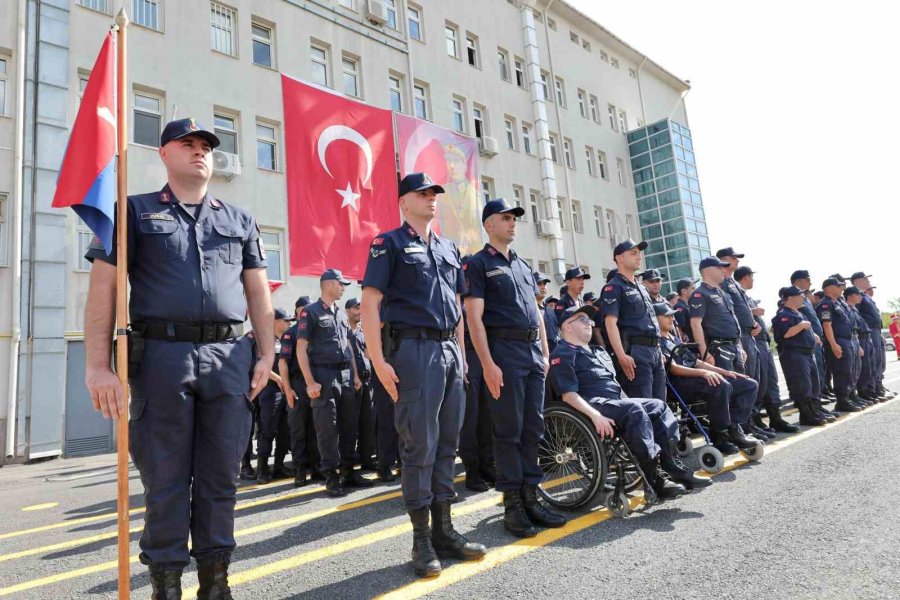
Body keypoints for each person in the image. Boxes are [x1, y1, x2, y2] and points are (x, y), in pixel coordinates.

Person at [83, 118, 272, 598]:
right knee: (165, 479)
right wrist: (98, 365)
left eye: (207, 145)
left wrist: (266, 353)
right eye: (187, 144)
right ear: (163, 153)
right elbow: (105, 288)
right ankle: (165, 584)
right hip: (161, 357)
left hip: (229, 356)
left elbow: (257, 293)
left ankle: (216, 581)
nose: (200, 151)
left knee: (221, 476)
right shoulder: (132, 211)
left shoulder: (239, 218)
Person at [361, 172, 485, 578]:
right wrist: (378, 361)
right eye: (422, 193)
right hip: (412, 351)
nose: (432, 199)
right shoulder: (389, 244)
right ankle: (421, 538)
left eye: (434, 193)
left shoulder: (449, 248)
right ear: (403, 201)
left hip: (449, 349)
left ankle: (445, 530)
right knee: (420, 444)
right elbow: (370, 303)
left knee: (448, 441)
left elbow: (458, 303)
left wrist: (463, 355)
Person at [465, 199, 566, 537]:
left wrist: (545, 350)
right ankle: (513, 506)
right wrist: (487, 363)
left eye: (514, 219)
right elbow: (474, 318)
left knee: (533, 429)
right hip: (503, 351)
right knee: (508, 430)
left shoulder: (522, 266)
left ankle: (532, 497)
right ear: (488, 224)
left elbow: (536, 312)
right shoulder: (477, 264)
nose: (512, 224)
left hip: (531, 353)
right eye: (505, 218)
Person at [549, 305, 687, 500]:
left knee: (659, 406)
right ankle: (654, 478)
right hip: (589, 404)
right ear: (567, 327)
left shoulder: (600, 352)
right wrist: (595, 416)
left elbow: (615, 387)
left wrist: (629, 402)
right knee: (634, 409)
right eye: (582, 319)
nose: (589, 322)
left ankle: (672, 465)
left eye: (589, 319)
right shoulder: (562, 354)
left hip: (614, 402)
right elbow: (568, 395)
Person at [295, 269, 369, 497]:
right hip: (323, 377)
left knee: (349, 425)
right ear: (328, 284)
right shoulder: (311, 313)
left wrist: (355, 375)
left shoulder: (339, 314)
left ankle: (349, 471)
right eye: (341, 283)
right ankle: (331, 476)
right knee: (327, 428)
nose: (344, 287)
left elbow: (348, 347)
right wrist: (309, 382)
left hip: (345, 375)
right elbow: (301, 349)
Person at [657, 303, 759, 457]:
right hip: (681, 383)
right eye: (667, 315)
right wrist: (703, 373)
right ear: (655, 318)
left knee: (748, 385)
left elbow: (697, 361)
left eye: (672, 315)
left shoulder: (674, 339)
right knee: (720, 385)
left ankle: (733, 426)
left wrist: (725, 371)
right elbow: (673, 368)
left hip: (698, 377)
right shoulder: (656, 341)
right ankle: (720, 435)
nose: (671, 318)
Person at [599, 239, 667, 401]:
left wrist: (659, 349)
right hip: (636, 351)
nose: (639, 257)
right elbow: (610, 323)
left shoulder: (641, 287)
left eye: (639, 253)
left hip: (655, 351)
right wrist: (621, 355)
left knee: (661, 404)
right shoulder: (613, 287)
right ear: (620, 258)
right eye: (634, 253)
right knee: (645, 403)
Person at [735, 267, 798, 435]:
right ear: (746, 277)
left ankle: (775, 418)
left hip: (762, 342)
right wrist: (752, 312)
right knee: (758, 383)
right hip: (752, 341)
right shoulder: (736, 296)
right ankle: (754, 421)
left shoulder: (747, 297)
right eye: (751, 277)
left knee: (770, 381)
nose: (753, 280)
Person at [244, 309, 297, 484]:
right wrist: (278, 378)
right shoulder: (262, 340)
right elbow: (258, 363)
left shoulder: (285, 339)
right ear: (275, 322)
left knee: (284, 431)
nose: (290, 323)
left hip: (284, 391)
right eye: (286, 320)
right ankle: (262, 470)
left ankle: (279, 466)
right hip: (269, 391)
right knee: (267, 431)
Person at [459, 260, 496, 493]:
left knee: (488, 416)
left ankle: (487, 464)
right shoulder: (458, 301)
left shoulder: (483, 300)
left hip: (485, 358)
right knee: (470, 419)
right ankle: (472, 470)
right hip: (469, 359)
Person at [280, 296, 322, 487]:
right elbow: (283, 362)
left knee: (316, 428)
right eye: (304, 309)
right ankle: (300, 470)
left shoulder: (316, 331)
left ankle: (316, 467)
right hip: (298, 385)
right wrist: (287, 389)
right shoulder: (291, 333)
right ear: (297, 311)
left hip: (315, 383)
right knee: (298, 429)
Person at [772, 286, 828, 426]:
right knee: (801, 385)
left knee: (813, 384)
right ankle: (806, 415)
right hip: (795, 354)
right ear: (790, 298)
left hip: (807, 353)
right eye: (800, 295)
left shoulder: (797, 313)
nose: (803, 297)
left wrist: (813, 335)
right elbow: (785, 334)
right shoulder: (784, 314)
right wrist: (802, 325)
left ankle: (814, 411)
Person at [816, 277, 864, 413]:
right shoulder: (826, 304)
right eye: (838, 286)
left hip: (848, 340)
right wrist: (833, 344)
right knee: (842, 371)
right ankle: (842, 401)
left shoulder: (839, 303)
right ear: (829, 289)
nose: (841, 288)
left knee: (850, 370)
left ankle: (848, 397)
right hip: (838, 340)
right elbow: (827, 324)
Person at [716, 248, 759, 382]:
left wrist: (755, 324)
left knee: (755, 376)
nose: (738, 260)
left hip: (749, 335)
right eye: (734, 258)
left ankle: (756, 404)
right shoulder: (720, 282)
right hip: (739, 337)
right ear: (724, 260)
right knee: (746, 378)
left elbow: (743, 308)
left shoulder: (734, 283)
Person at [851, 272, 894, 400]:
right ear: (857, 281)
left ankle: (877, 386)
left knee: (878, 361)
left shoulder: (865, 296)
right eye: (865, 279)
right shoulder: (857, 297)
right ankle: (870, 389)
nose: (868, 282)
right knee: (871, 362)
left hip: (876, 331)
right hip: (868, 332)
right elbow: (857, 316)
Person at [346, 297, 377, 470]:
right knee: (351, 423)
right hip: (351, 383)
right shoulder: (343, 331)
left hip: (367, 381)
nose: (359, 312)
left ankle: (366, 458)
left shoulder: (363, 331)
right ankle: (350, 462)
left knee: (367, 422)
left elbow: (368, 354)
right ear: (348, 310)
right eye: (356, 309)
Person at [790, 270, 829, 401]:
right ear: (798, 282)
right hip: (806, 340)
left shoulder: (805, 298)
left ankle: (818, 397)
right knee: (811, 373)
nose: (810, 282)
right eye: (807, 280)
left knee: (819, 368)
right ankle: (813, 400)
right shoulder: (793, 297)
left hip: (815, 339)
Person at [843, 287, 875, 407]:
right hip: (858, 339)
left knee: (867, 367)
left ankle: (863, 392)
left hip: (864, 338)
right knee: (859, 369)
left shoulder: (854, 309)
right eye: (857, 294)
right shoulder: (847, 309)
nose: (860, 296)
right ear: (850, 296)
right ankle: (860, 392)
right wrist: (858, 345)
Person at [535, 273, 560, 353]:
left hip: (556, 353)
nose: (543, 287)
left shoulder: (550, 310)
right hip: (539, 354)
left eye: (545, 284)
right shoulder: (529, 309)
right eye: (539, 284)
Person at [673, 278, 695, 342]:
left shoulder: (687, 305)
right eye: (692, 289)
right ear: (683, 291)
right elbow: (679, 329)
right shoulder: (680, 307)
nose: (695, 291)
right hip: (689, 347)